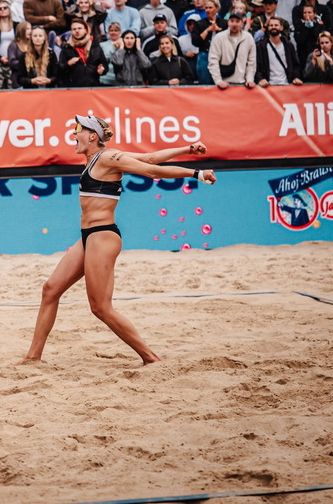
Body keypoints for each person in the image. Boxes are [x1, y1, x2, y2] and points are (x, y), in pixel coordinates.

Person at [20, 116, 215, 365]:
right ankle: (33, 357)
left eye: (78, 129)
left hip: (103, 235)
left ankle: (151, 358)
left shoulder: (107, 158)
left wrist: (197, 173)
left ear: (92, 136)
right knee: (50, 290)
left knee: (100, 307)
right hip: (88, 236)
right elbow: (150, 157)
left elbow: (152, 170)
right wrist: (187, 149)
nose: (73, 133)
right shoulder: (97, 159)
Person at [209, 12, 257, 89]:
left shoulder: (248, 38)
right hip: (223, 84)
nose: (234, 24)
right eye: (232, 21)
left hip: (243, 84)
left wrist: (250, 79)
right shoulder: (219, 38)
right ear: (228, 22)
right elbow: (213, 61)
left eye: (237, 21)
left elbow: (252, 61)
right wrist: (218, 81)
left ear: (242, 23)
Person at [254, 16, 303, 87]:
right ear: (268, 27)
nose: (273, 27)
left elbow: (296, 65)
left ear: (281, 28)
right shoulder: (261, 46)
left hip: (286, 84)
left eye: (276, 25)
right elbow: (257, 66)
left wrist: (296, 77)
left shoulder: (288, 45)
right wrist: (260, 79)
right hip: (268, 85)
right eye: (271, 25)